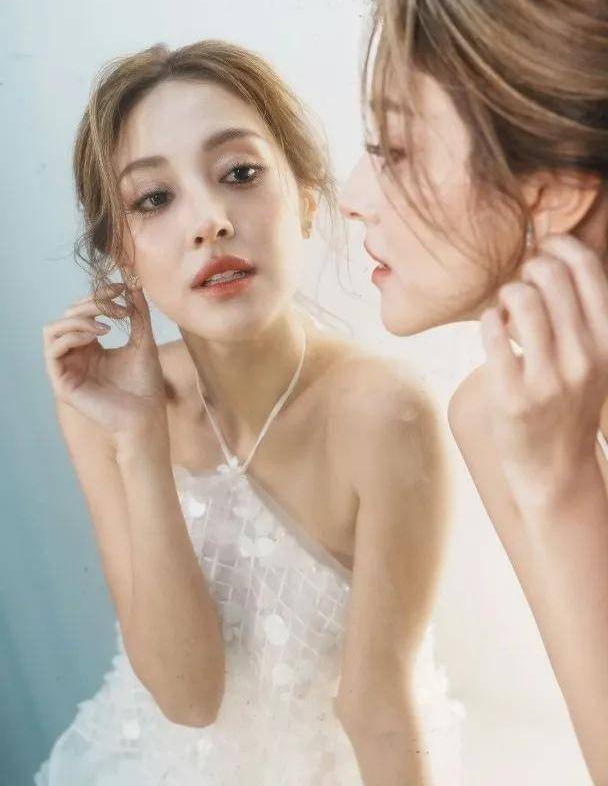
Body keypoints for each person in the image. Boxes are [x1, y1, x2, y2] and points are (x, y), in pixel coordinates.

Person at [36, 40, 464, 786]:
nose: (210, 223)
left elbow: (379, 713)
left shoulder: (385, 413)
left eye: (239, 174)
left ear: (306, 200)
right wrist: (140, 438)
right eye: (154, 199)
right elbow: (188, 698)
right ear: (122, 255)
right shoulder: (103, 410)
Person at [339, 0, 608, 785]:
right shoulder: (496, 418)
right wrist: (557, 484)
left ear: (553, 194)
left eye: (393, 150)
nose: (351, 195)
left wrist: (563, 490)